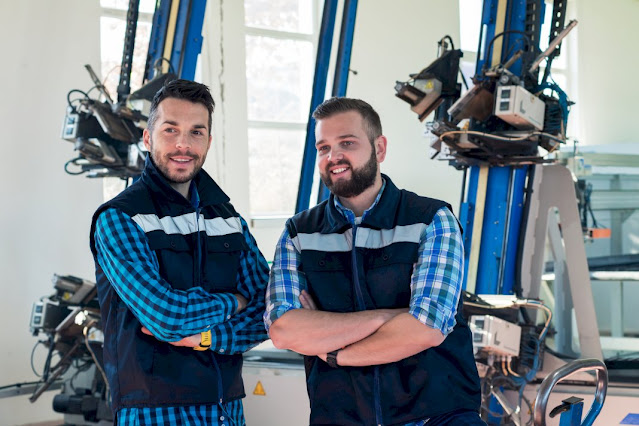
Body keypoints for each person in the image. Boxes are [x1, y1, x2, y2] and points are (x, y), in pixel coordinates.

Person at [264, 97, 484, 425]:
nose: (333, 157)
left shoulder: (431, 220)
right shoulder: (299, 233)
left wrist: (334, 353)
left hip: (436, 417)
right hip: (341, 418)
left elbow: (426, 329)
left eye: (347, 143)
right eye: (323, 148)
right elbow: (283, 330)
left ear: (379, 149)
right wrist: (388, 317)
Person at [90, 79, 270, 426]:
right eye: (170, 130)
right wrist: (233, 302)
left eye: (196, 132)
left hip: (225, 409)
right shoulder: (120, 218)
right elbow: (167, 318)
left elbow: (268, 310)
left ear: (209, 141)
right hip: (154, 411)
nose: (183, 144)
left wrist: (208, 337)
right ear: (148, 138)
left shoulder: (227, 219)